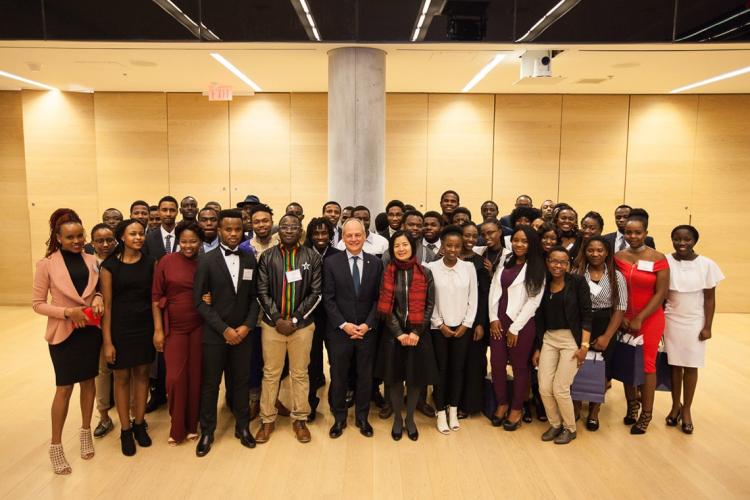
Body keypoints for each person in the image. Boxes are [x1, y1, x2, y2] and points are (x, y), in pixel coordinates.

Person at [33, 209, 103, 474]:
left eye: (79, 236)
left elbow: (95, 289)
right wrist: (66, 312)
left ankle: (86, 431)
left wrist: (97, 298)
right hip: (63, 332)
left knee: (88, 382)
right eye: (70, 237)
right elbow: (37, 304)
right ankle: (56, 445)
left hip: (90, 331)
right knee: (64, 388)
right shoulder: (46, 264)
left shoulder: (92, 259)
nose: (76, 241)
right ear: (59, 238)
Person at [193, 209, 260, 456]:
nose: (233, 234)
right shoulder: (206, 260)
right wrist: (224, 330)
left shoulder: (249, 258)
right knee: (211, 384)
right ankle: (208, 431)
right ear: (219, 230)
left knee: (241, 382)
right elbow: (199, 302)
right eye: (228, 229)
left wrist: (245, 327)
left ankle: (243, 427)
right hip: (215, 335)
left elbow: (255, 298)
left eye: (237, 229)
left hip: (243, 334)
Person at [255, 214, 322, 444]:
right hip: (272, 326)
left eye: (294, 226)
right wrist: (276, 318)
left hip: (301, 326)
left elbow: (316, 293)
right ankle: (267, 420)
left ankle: (300, 419)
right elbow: (261, 292)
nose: (290, 230)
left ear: (300, 229)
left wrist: (294, 320)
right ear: (278, 230)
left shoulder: (311, 257)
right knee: (271, 374)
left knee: (300, 373)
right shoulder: (267, 257)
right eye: (285, 226)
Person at [375, 231, 438, 441]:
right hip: (394, 336)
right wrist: (400, 333)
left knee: (414, 380)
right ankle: (396, 420)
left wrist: (415, 332)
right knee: (393, 380)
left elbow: (430, 305)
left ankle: (410, 419)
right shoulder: (387, 272)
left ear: (412, 247)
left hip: (418, 335)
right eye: (397, 246)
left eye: (405, 245)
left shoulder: (425, 273)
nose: (401, 249)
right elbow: (386, 307)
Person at [100, 219, 156, 456]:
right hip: (120, 329)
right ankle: (125, 429)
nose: (138, 238)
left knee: (142, 374)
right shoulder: (109, 266)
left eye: (141, 234)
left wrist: (158, 330)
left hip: (144, 326)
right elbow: (108, 306)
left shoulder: (151, 263)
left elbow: (154, 299)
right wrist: (108, 341)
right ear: (122, 237)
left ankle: (139, 423)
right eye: (133, 234)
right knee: (121, 378)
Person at [325, 218, 384, 439]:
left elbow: (378, 299)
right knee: (339, 376)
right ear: (343, 237)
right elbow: (328, 299)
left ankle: (362, 417)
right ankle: (339, 418)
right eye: (349, 235)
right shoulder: (331, 263)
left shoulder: (375, 263)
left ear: (364, 236)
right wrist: (344, 325)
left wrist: (367, 324)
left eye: (358, 235)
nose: (353, 239)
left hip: (367, 332)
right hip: (340, 332)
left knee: (365, 376)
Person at [664, 225, 723, 434]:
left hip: (695, 321)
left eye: (687, 239)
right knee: (674, 366)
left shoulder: (706, 264)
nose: (682, 243)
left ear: (694, 241)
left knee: (690, 365)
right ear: (671, 239)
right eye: (677, 239)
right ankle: (674, 406)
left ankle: (687, 409)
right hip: (670, 319)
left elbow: (709, 298)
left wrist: (708, 326)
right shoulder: (665, 261)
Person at [614, 208, 670, 434]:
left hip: (650, 318)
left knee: (647, 366)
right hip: (624, 318)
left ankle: (646, 415)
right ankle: (632, 407)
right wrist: (622, 317)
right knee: (628, 361)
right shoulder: (618, 258)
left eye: (638, 232)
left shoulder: (658, 258)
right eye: (628, 232)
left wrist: (640, 317)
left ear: (646, 232)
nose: (633, 237)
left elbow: (661, 293)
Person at [151, 221, 204, 445]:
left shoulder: (206, 262)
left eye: (193, 241)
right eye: (184, 241)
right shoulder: (166, 261)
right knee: (174, 378)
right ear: (177, 241)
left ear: (200, 242)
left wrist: (208, 297)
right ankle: (176, 426)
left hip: (200, 326)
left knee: (195, 377)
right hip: (174, 326)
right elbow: (155, 297)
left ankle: (192, 425)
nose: (188, 246)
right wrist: (158, 330)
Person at [532, 246, 591, 445]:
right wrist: (538, 347)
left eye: (562, 262)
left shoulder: (578, 283)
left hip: (571, 341)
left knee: (560, 388)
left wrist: (584, 346)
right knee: (544, 387)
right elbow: (539, 318)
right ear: (547, 262)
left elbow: (586, 316)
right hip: (549, 338)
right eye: (554, 261)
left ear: (568, 265)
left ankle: (570, 428)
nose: (558, 265)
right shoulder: (543, 283)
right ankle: (555, 424)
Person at [488, 226, 545, 430]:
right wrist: (493, 318)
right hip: (498, 322)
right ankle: (502, 403)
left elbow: (534, 301)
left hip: (521, 324)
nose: (519, 244)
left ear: (532, 244)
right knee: (496, 364)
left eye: (524, 241)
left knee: (520, 367)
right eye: (516, 240)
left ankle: (516, 409)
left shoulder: (537, 266)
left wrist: (515, 328)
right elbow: (495, 289)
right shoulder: (506, 260)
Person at [571, 236, 627, 430]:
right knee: (577, 364)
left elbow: (620, 309)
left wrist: (607, 336)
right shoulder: (576, 272)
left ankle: (595, 409)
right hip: (580, 324)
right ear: (584, 252)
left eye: (600, 250)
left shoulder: (616, 276)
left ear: (607, 253)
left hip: (605, 324)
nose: (595, 254)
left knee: (603, 368)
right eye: (591, 250)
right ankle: (576, 405)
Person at [426, 226, 478, 433]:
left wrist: (467, 324)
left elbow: (473, 299)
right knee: (441, 370)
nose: (453, 250)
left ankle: (453, 410)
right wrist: (440, 324)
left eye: (457, 246)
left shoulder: (469, 268)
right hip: (439, 328)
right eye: (449, 245)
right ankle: (440, 412)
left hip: (462, 328)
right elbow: (430, 301)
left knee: (458, 369)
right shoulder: (430, 267)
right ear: (442, 245)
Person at [142, 195, 179, 413]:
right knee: (158, 351)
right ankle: (157, 394)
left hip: (181, 302)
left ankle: (176, 393)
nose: (167, 214)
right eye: (164, 210)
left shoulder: (185, 235)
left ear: (177, 212)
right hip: (157, 302)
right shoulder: (149, 238)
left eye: (171, 210)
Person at [304, 217, 341, 420]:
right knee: (311, 362)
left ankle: (336, 404)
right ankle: (310, 404)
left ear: (330, 235)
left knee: (336, 362)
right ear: (310, 235)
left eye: (324, 233)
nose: (320, 237)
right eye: (316, 233)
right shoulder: (303, 255)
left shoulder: (338, 256)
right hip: (309, 318)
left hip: (334, 318)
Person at [458, 222, 490, 418]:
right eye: (466, 236)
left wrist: (480, 323)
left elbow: (484, 295)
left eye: (473, 236)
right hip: (454, 321)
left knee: (473, 365)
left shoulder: (481, 262)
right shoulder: (449, 258)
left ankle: (470, 405)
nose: (470, 240)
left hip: (475, 322)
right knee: (456, 365)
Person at [89, 223, 118, 438]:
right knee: (102, 371)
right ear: (92, 243)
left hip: (122, 322)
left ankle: (134, 415)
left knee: (126, 370)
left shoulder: (123, 259)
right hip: (96, 324)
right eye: (100, 240)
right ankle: (104, 416)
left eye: (109, 240)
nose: (105, 244)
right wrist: (96, 296)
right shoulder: (87, 264)